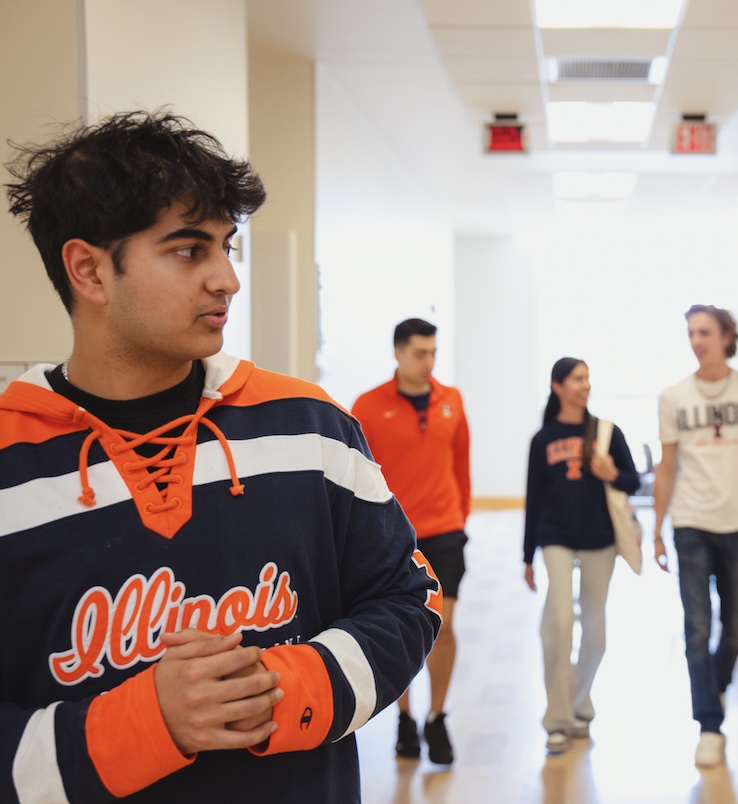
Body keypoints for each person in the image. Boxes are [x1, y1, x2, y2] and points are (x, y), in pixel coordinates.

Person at [0, 111, 442, 802]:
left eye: (227, 246)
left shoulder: (313, 427)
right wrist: (147, 723)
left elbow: (408, 600)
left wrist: (280, 690)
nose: (227, 279)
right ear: (89, 269)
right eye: (188, 250)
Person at [653, 304, 738, 767]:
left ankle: (716, 683)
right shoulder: (673, 397)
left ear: (727, 336)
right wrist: (657, 530)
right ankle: (709, 723)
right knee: (696, 628)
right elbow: (666, 468)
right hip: (690, 524)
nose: (696, 340)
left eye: (705, 331)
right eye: (690, 332)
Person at [352, 318, 470, 765]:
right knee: (400, 631)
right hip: (393, 534)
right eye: (420, 353)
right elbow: (357, 476)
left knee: (443, 629)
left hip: (445, 532)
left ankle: (437, 717)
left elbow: (462, 466)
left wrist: (461, 520)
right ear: (398, 353)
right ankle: (404, 718)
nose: (429, 361)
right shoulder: (366, 405)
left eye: (434, 352)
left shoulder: (451, 401)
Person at [523, 358, 640, 754]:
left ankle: (579, 704)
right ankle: (557, 719)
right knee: (558, 622)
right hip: (555, 536)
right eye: (577, 378)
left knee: (596, 632)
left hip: (599, 539)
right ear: (557, 386)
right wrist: (526, 556)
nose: (585, 385)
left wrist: (611, 473)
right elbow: (534, 498)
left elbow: (634, 479)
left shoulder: (607, 433)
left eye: (587, 378)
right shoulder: (543, 439)